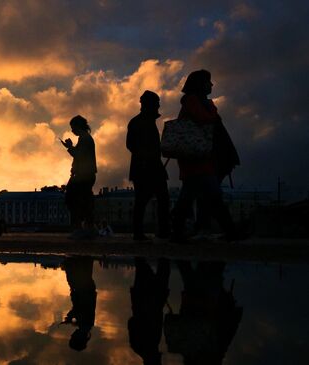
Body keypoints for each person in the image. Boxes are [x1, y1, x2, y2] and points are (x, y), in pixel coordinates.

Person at [170, 70, 240, 243]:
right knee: (212, 195)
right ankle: (230, 231)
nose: (211, 85)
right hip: (196, 158)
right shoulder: (192, 101)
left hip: (199, 158)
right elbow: (204, 119)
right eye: (208, 81)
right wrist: (213, 109)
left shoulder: (197, 101)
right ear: (200, 84)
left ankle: (176, 231)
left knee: (189, 197)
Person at [164, 261, 242, 365]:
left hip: (204, 305)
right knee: (193, 271)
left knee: (212, 266)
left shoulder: (214, 355)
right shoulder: (194, 355)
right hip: (193, 305)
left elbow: (227, 332)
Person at [127, 91, 170, 241]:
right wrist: (147, 157)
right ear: (149, 104)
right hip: (146, 168)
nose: (158, 105)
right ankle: (148, 232)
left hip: (148, 167)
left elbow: (131, 145)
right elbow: (131, 145)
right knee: (152, 200)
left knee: (152, 200)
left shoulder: (141, 121)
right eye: (156, 102)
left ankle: (152, 232)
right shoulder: (140, 122)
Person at [128, 258, 170, 365]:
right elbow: (131, 322)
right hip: (142, 300)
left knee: (162, 265)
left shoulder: (147, 345)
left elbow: (132, 322)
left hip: (152, 299)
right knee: (143, 265)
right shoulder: (137, 346)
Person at [61, 115, 97, 240]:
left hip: (83, 175)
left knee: (72, 199)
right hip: (86, 174)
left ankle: (79, 228)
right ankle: (88, 227)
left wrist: (70, 148)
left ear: (78, 126)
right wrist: (71, 147)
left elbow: (79, 156)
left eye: (73, 127)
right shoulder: (86, 138)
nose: (72, 130)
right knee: (84, 200)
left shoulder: (85, 139)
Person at [61, 256, 97, 351]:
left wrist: (71, 318)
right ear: (78, 338)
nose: (71, 335)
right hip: (83, 289)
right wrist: (70, 317)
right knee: (77, 264)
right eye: (72, 337)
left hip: (84, 290)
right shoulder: (85, 325)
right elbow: (80, 309)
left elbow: (78, 309)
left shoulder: (85, 326)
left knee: (80, 264)